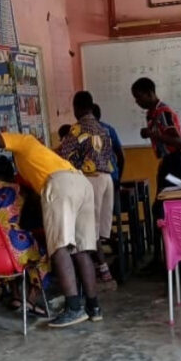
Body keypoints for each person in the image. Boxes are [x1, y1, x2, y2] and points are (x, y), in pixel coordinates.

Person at [0, 126, 101, 328]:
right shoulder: (42, 159)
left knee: (59, 248)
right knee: (82, 250)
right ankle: (94, 308)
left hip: (60, 185)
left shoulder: (24, 141)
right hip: (82, 183)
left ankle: (73, 308)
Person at [56, 91, 117, 289]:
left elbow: (63, 155)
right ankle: (103, 270)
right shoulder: (103, 128)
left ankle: (101, 274)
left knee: (87, 232)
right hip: (107, 179)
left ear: (78, 108)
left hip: (91, 181)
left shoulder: (77, 129)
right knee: (97, 232)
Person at [0, 156, 51, 316]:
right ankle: (31, 300)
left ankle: (16, 296)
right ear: (11, 171)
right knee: (43, 257)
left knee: (10, 260)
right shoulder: (19, 189)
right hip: (14, 240)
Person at [131, 77, 181, 262]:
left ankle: (174, 256)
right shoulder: (151, 114)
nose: (137, 101)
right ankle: (162, 256)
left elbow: (178, 141)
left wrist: (152, 134)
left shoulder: (163, 112)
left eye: (139, 97)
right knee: (160, 209)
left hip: (179, 161)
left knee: (166, 208)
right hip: (169, 161)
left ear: (150, 93)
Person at [91, 103, 124, 185]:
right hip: (112, 176)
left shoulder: (83, 131)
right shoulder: (109, 130)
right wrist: (118, 178)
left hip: (94, 178)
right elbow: (121, 156)